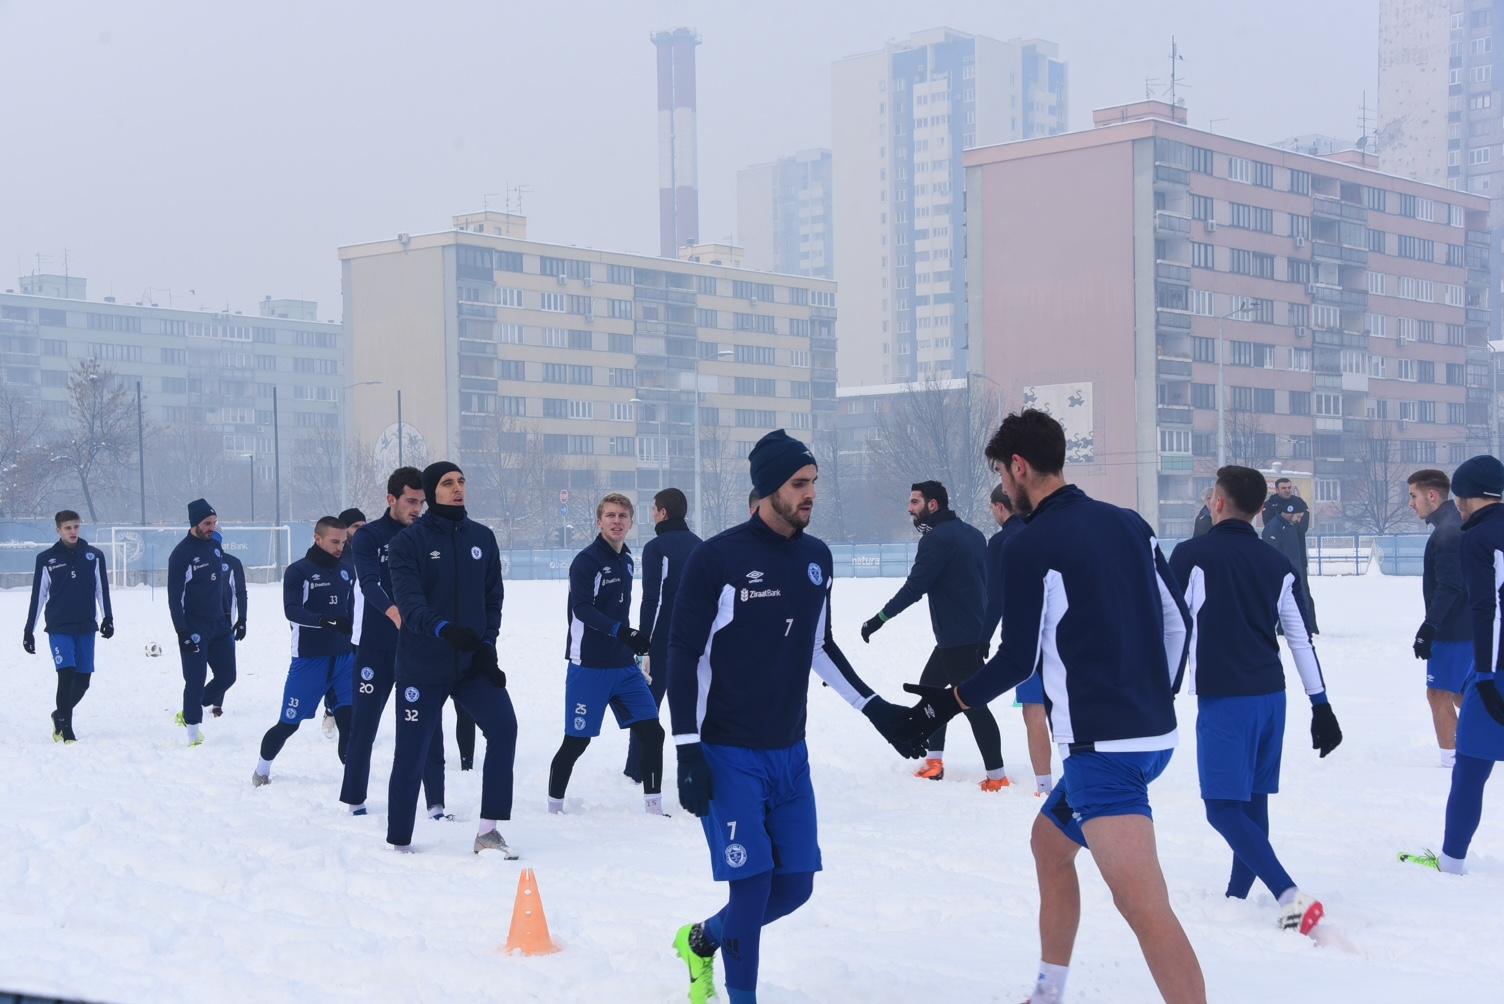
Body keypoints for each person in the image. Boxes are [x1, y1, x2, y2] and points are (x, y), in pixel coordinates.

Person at [892, 409, 1204, 1004]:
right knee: (1049, 845)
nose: (1003, 490)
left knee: (1146, 910)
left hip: (1102, 755)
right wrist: (1154, 696)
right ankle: (1047, 992)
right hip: (1151, 739)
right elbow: (1178, 621)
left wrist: (950, 702)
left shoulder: (1029, 543)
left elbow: (1017, 660)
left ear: (1019, 468)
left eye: (1002, 477)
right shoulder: (1131, 523)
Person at [667, 429, 922, 1004]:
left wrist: (876, 709)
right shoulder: (718, 558)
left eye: (813, 484)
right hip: (727, 749)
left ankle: (703, 938)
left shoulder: (816, 557)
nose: (810, 495)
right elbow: (681, 655)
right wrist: (686, 748)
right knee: (753, 887)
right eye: (798, 484)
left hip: (789, 751)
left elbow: (820, 647)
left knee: (796, 886)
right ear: (765, 490)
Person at [1168, 465, 1341, 936]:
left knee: (1222, 808)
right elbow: (1300, 638)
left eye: (1210, 495)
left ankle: (1290, 897)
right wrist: (1320, 704)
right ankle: (1236, 898)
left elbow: (1171, 625)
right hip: (1272, 697)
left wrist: (1163, 686)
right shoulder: (1277, 563)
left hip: (1228, 699)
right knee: (1252, 801)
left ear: (1218, 503)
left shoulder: (1191, 555)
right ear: (1260, 508)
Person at [385, 461, 517, 855]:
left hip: (472, 663)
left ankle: (488, 831)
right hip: (422, 665)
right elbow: (409, 604)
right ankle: (400, 840)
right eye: (447, 483)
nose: (458, 488)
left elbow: (493, 598)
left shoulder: (483, 538)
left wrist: (487, 647)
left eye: (462, 481)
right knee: (413, 751)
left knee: (504, 727)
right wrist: (444, 630)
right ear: (431, 492)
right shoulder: (407, 543)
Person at [862, 480, 1006, 790]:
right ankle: (935, 762)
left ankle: (997, 776)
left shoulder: (936, 540)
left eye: (915, 502)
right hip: (965, 634)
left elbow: (915, 588)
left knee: (972, 704)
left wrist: (879, 619)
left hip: (958, 639)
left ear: (933, 505)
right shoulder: (973, 534)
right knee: (931, 690)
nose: (910, 508)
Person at [1401, 455, 1504, 875]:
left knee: (1470, 770)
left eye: (1461, 495)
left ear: (1473, 497)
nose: (1458, 504)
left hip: (1494, 667)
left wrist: (1484, 675)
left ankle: (1451, 862)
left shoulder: (1477, 539)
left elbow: (1489, 609)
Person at [547, 492, 666, 814]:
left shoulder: (626, 560)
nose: (616, 521)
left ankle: (654, 808)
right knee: (577, 742)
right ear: (599, 521)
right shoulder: (587, 561)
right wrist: (621, 632)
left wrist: (634, 645)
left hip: (623, 667)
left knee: (652, 733)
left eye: (622, 516)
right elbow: (582, 609)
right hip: (589, 667)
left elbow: (621, 612)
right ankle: (554, 808)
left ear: (630, 523)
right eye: (610, 516)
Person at [340, 468, 448, 817]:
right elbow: (369, 583)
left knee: (428, 726)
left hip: (420, 649)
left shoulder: (429, 535)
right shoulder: (369, 536)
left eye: (422, 501)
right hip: (377, 647)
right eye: (411, 501)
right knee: (365, 725)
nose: (417, 508)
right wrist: (395, 612)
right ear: (392, 499)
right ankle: (355, 797)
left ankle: (435, 803)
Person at [252, 517, 357, 785]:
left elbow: (352, 609)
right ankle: (262, 770)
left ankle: (355, 781)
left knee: (350, 722)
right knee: (288, 724)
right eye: (334, 542)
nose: (340, 547)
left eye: (343, 542)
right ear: (317, 538)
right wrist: (325, 620)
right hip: (310, 660)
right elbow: (292, 610)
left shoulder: (347, 569)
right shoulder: (299, 571)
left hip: (345, 658)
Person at [626, 486, 702, 784]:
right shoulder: (700, 545)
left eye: (653, 509)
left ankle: (636, 769)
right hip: (694, 641)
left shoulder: (656, 548)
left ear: (663, 513)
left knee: (645, 704)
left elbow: (653, 599)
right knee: (694, 706)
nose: (651, 514)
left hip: (661, 641)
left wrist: (643, 641)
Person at [984, 484, 1053, 795]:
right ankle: (1083, 775)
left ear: (1001, 508)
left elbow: (996, 598)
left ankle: (1044, 784)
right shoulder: (1048, 532)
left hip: (1027, 636)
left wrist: (982, 637)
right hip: (1064, 631)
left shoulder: (1002, 542)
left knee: (1034, 709)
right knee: (1067, 708)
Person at [22, 510, 114, 743]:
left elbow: (101, 589)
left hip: (85, 626)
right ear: (58, 530)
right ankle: (66, 728)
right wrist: (28, 631)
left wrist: (108, 618)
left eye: (76, 527)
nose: (73, 532)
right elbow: (38, 596)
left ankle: (58, 714)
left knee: (83, 682)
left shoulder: (94, 556)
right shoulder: (46, 559)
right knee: (66, 675)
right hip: (59, 627)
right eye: (67, 528)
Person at [1407, 468, 1471, 768]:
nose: (1411, 503)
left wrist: (1429, 626)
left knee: (1439, 694)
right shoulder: (1450, 523)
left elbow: (1451, 585)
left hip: (1454, 629)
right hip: (1465, 626)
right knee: (1463, 694)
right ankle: (1476, 747)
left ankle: (1453, 760)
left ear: (1432, 495)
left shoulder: (1449, 531)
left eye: (1413, 496)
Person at [166, 499, 236, 746]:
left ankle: (190, 708)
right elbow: (175, 599)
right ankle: (193, 734)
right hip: (193, 627)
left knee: (228, 676)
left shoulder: (215, 548)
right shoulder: (181, 554)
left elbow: (219, 588)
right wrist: (182, 631)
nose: (212, 527)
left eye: (215, 523)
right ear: (195, 523)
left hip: (219, 624)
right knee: (195, 679)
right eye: (207, 523)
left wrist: (228, 617)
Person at [323, 508, 368, 738]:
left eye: (363, 525)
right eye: (356, 526)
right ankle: (330, 709)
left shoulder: (367, 551)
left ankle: (353, 721)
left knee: (359, 677)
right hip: (337, 626)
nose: (361, 530)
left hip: (361, 626)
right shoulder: (333, 555)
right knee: (336, 673)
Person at [1261, 477, 1317, 632]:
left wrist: (1285, 521)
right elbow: (1271, 526)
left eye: (1289, 487)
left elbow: (1302, 527)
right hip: (1276, 557)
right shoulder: (1270, 504)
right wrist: (1289, 522)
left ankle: (1309, 626)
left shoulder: (1300, 503)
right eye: (1283, 488)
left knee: (1303, 591)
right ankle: (1278, 627)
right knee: (1277, 592)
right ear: (1277, 489)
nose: (1287, 490)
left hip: (1298, 556)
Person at [206, 530, 246, 718]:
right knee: (197, 670)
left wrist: (242, 619)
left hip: (225, 627)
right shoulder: (195, 561)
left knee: (224, 671)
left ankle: (216, 704)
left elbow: (240, 592)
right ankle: (195, 701)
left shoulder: (232, 563)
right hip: (200, 625)